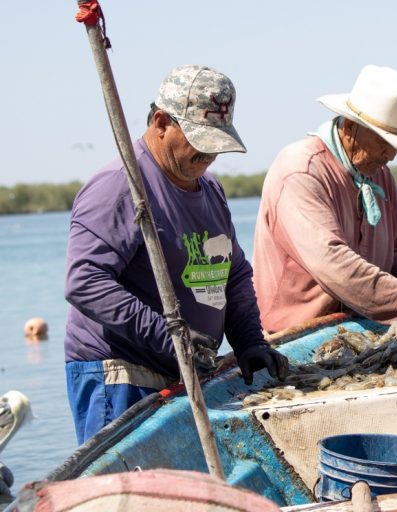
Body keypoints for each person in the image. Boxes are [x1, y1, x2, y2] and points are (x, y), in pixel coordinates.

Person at [64, 65, 288, 445]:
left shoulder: (210, 189)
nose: (209, 153)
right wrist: (171, 337)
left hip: (185, 370)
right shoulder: (121, 185)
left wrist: (249, 340)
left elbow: (231, 273)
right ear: (161, 122)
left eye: (217, 142)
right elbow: (85, 282)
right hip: (124, 376)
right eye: (199, 139)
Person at [252, 65, 397, 333]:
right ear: (351, 127)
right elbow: (334, 265)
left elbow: (393, 253)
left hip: (361, 325)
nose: (391, 155)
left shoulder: (379, 174)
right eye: (384, 142)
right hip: (296, 334)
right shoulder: (301, 171)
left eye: (396, 145)